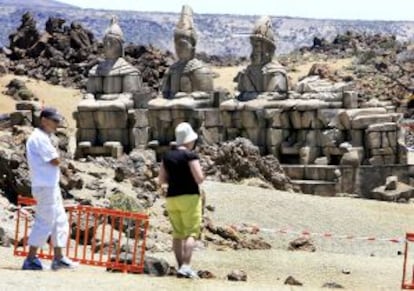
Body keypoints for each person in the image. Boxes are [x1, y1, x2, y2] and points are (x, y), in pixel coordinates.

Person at [22, 107, 78, 271]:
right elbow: (54, 160)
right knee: (45, 220)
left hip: (50, 185)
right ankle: (31, 259)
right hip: (44, 185)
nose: (57, 124)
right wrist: (64, 162)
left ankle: (59, 258)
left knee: (59, 220)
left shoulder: (44, 137)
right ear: (44, 120)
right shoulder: (39, 138)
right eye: (54, 121)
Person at [159, 122, 204, 279]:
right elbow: (199, 178)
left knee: (177, 234)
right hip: (189, 197)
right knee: (191, 232)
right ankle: (186, 265)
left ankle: (180, 266)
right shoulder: (190, 156)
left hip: (172, 198)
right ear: (189, 140)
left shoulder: (167, 156)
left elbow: (161, 180)